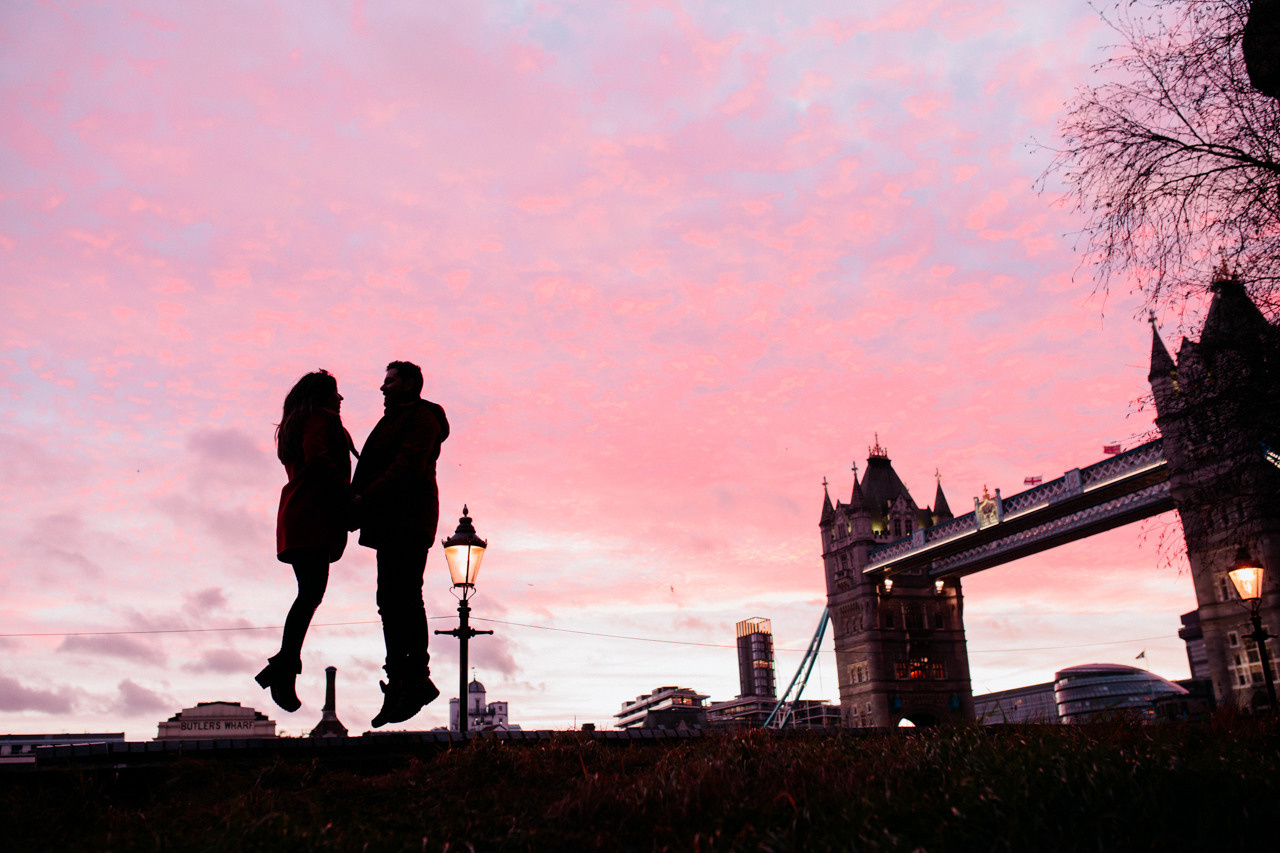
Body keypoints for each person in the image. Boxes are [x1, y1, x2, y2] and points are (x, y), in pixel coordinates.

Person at [351, 360, 450, 727]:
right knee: (390, 600)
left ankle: (415, 679)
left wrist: (363, 502)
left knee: (404, 596)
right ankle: (401, 680)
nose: (382, 387)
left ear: (409, 384)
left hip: (407, 520)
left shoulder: (422, 418)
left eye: (389, 381)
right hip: (391, 520)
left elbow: (405, 468)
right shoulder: (396, 418)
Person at [255, 369, 356, 712]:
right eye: (336, 393)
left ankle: (284, 667)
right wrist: (351, 497)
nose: (341, 399)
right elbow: (320, 460)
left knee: (309, 594)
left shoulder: (298, 422)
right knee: (310, 594)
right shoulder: (318, 418)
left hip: (299, 514)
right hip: (312, 514)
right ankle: (283, 668)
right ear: (322, 396)